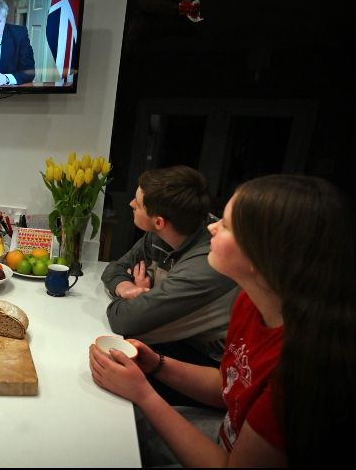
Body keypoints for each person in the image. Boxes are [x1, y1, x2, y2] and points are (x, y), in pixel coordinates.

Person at [89, 174, 356, 466]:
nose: (211, 227)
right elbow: (229, 386)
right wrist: (157, 364)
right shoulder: (249, 304)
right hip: (223, 430)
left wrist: (143, 394)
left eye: (227, 225)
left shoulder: (302, 369)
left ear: (263, 254)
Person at [102, 166, 239, 371]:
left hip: (208, 364)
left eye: (137, 204)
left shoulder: (210, 260)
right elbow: (115, 268)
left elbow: (123, 319)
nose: (131, 204)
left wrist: (141, 299)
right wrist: (126, 288)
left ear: (159, 221)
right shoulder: (161, 235)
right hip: (173, 342)